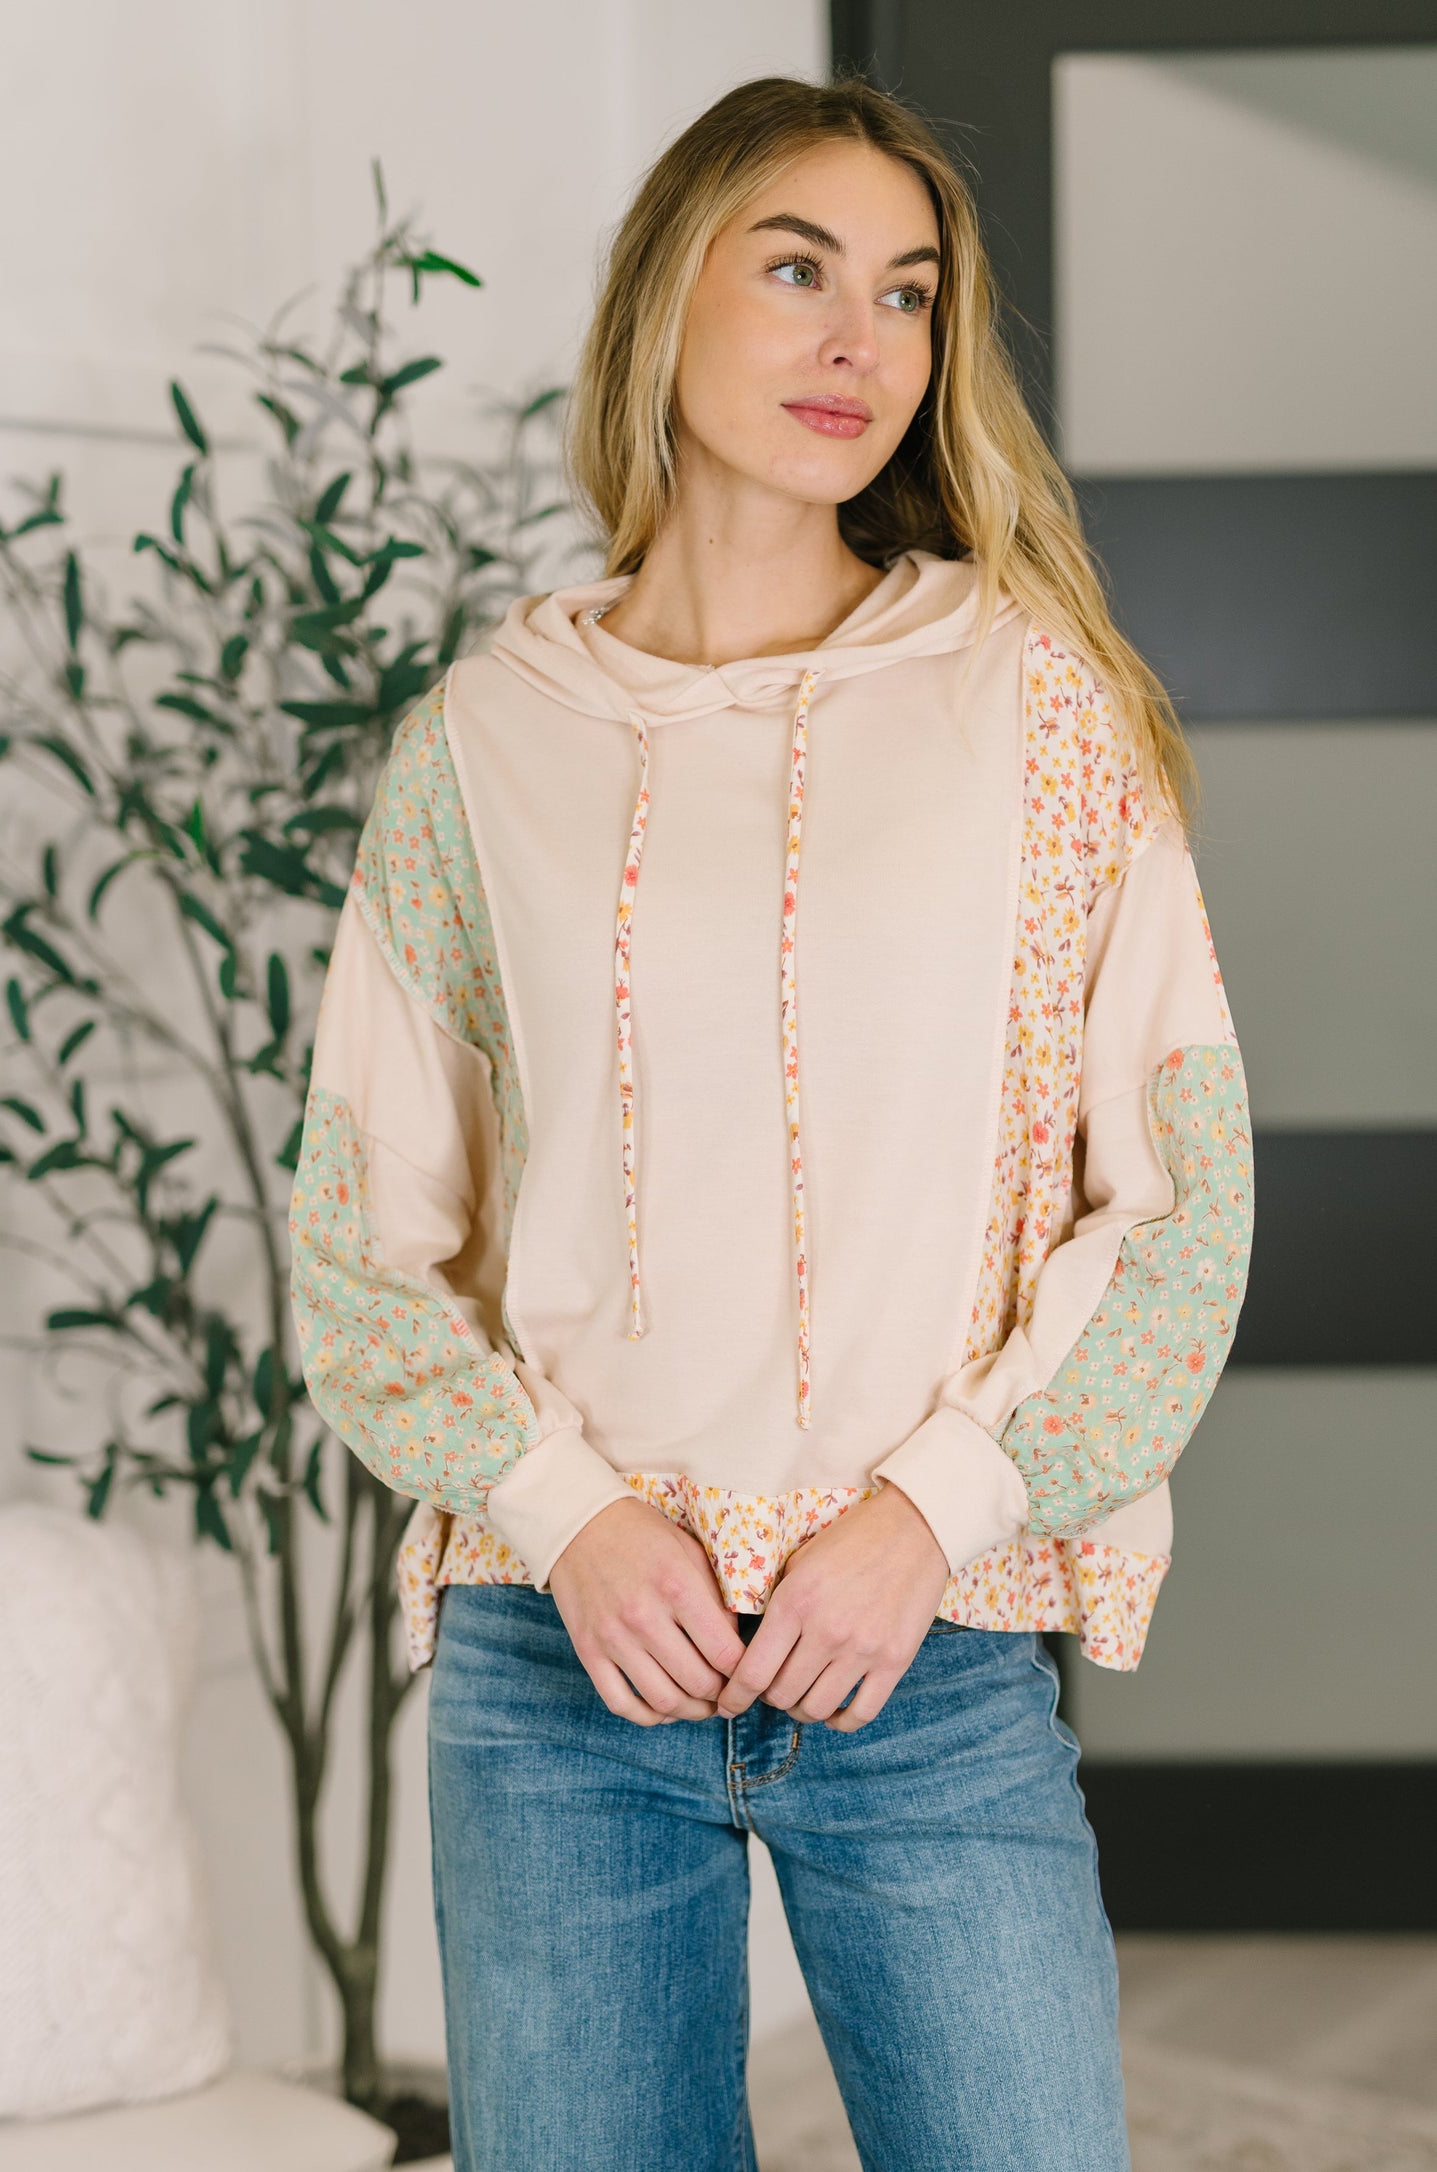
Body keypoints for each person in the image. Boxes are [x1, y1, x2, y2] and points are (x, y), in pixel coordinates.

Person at [288, 70, 1254, 2172]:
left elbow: (1179, 1203)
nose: (859, 342)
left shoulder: (1031, 699)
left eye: (908, 294)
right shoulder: (480, 748)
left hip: (929, 1654)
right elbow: (364, 1239)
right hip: (565, 1676)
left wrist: (937, 1511)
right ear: (664, 299)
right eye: (797, 268)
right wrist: (562, 1510)